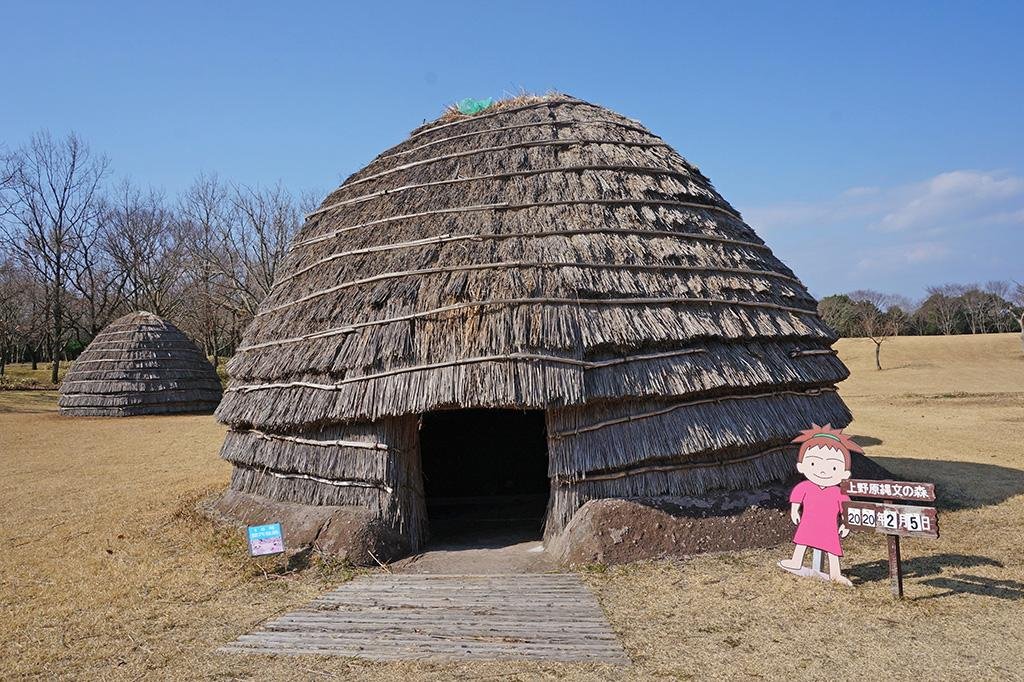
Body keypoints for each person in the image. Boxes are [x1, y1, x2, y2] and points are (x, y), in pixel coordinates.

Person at [777, 423, 863, 586]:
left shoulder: (838, 492)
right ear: (802, 466)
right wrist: (794, 510)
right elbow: (797, 498)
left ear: (844, 473)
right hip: (808, 521)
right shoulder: (805, 486)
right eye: (814, 464)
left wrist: (846, 524)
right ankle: (796, 561)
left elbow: (846, 509)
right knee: (802, 540)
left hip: (829, 526)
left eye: (833, 466)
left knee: (831, 548)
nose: (823, 470)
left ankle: (835, 573)